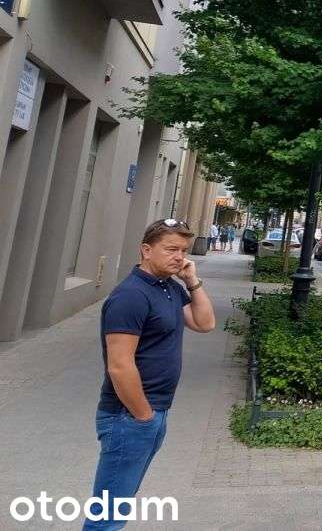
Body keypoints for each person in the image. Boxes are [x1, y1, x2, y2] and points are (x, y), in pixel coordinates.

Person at [85, 219, 216, 530]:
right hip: (128, 416)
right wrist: (143, 416)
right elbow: (119, 365)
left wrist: (192, 281)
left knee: (118, 506)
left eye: (183, 250)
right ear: (146, 250)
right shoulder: (131, 296)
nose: (179, 257)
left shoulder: (168, 287)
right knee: (107, 516)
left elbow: (204, 323)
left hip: (152, 412)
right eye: (171, 249)